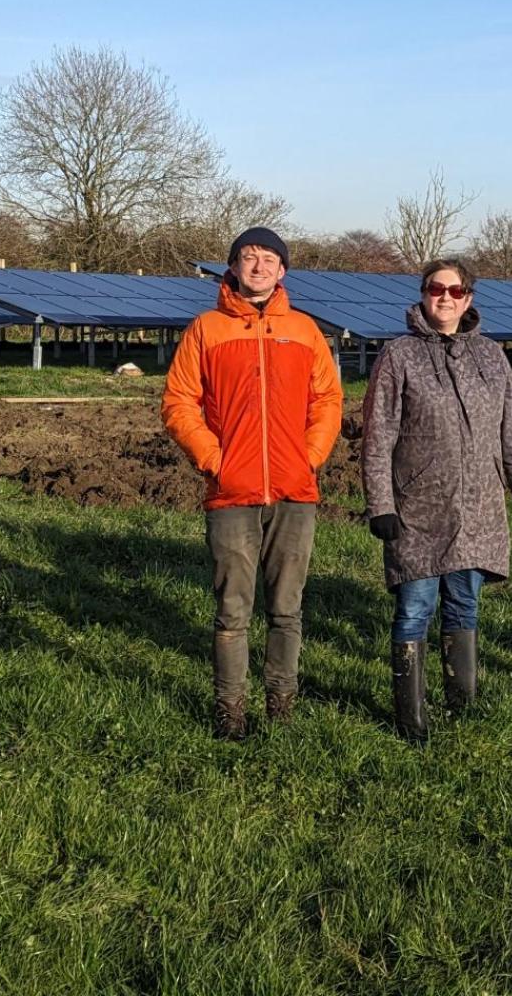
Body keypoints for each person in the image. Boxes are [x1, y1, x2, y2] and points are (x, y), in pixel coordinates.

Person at [162, 226, 343, 739]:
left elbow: (328, 401)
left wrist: (308, 458)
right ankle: (230, 711)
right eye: (249, 257)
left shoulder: (304, 330)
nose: (259, 266)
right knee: (232, 611)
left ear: (282, 271)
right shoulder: (207, 329)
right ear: (233, 267)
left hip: (294, 491)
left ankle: (281, 705)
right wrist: (214, 460)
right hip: (231, 493)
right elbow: (179, 402)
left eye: (268, 259)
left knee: (286, 609)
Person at [361, 259, 512, 743]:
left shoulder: (491, 356)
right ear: (423, 295)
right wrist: (381, 504)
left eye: (455, 290)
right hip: (417, 508)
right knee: (415, 608)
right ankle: (411, 718)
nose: (445, 297)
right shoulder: (398, 355)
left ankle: (463, 705)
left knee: (464, 605)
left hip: (478, 507)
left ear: (469, 299)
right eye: (435, 289)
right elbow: (378, 436)